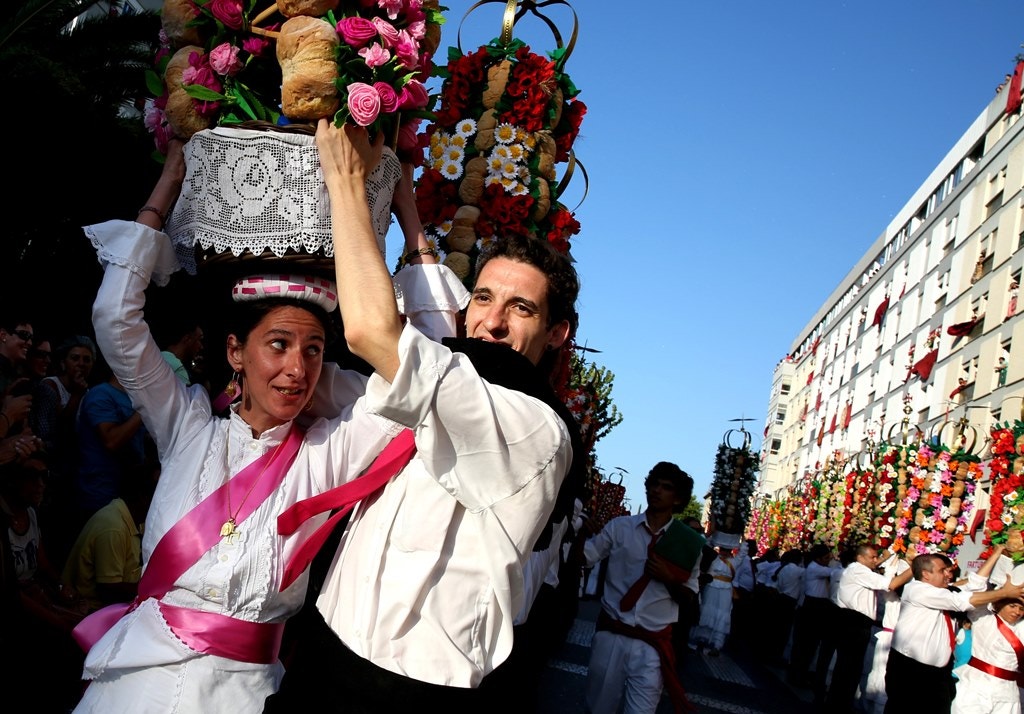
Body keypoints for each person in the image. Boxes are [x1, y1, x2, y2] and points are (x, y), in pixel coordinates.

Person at [70, 132, 465, 712]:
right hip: (132, 684)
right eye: (277, 344)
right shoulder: (188, 427)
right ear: (235, 352)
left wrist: (408, 219)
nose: (296, 368)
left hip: (247, 697)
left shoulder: (328, 450)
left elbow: (430, 374)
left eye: (312, 351)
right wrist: (168, 184)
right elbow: (115, 321)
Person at [264, 122, 581, 712]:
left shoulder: (534, 425)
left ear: (557, 333)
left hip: (409, 693)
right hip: (324, 654)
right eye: (482, 299)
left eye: (522, 308)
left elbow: (372, 332)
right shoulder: (452, 383)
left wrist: (346, 181)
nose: (493, 323)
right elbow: (340, 383)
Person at [580, 462, 703, 714]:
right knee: (598, 709)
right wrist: (578, 528)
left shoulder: (689, 544)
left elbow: (689, 597)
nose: (657, 490)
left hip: (652, 646)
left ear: (678, 499)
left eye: (666, 487)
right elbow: (585, 557)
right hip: (612, 635)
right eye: (653, 484)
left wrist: (668, 577)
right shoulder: (620, 528)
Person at [884, 551, 1024, 713]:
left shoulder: (948, 592)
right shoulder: (917, 590)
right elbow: (961, 602)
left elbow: (974, 586)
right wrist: (1005, 593)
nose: (948, 574)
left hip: (939, 674)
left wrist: (997, 551)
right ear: (926, 574)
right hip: (910, 671)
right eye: (942, 570)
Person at [61, 444, 159, 614]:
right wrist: (155, 589)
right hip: (92, 611)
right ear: (144, 498)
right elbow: (110, 590)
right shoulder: (113, 528)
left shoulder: (138, 519)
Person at [824, 544, 914, 713]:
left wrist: (886, 557)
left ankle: (838, 703)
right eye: (872, 557)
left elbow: (876, 567)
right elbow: (892, 584)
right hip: (854, 622)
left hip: (854, 622)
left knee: (849, 667)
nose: (876, 560)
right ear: (860, 558)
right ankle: (838, 705)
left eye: (876, 557)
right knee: (848, 668)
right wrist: (915, 566)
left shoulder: (857, 568)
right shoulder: (859, 571)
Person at [788, 543, 833, 688]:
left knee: (809, 645)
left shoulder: (816, 567)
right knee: (805, 644)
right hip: (812, 608)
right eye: (826, 558)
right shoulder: (815, 568)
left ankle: (799, 673)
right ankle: (797, 675)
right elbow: (835, 573)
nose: (828, 561)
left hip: (817, 607)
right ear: (818, 559)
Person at [691, 544, 735, 656]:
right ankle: (701, 640)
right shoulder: (714, 558)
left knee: (722, 615)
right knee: (707, 612)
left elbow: (743, 551)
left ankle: (717, 644)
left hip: (725, 591)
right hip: (711, 587)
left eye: (727, 550)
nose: (725, 552)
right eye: (723, 549)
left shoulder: (735, 561)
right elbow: (707, 543)